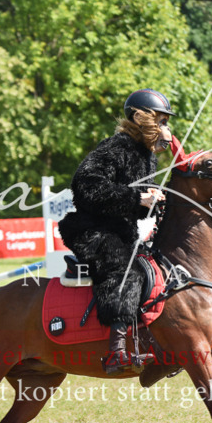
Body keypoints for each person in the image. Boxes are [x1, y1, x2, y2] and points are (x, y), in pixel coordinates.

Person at [58, 88, 171, 374]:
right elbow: (85, 187)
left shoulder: (149, 157)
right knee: (127, 274)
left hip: (121, 232)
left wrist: (152, 202)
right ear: (139, 117)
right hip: (90, 230)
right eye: (161, 120)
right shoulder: (115, 147)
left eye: (167, 122)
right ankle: (116, 353)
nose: (166, 129)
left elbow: (135, 206)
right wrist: (137, 199)